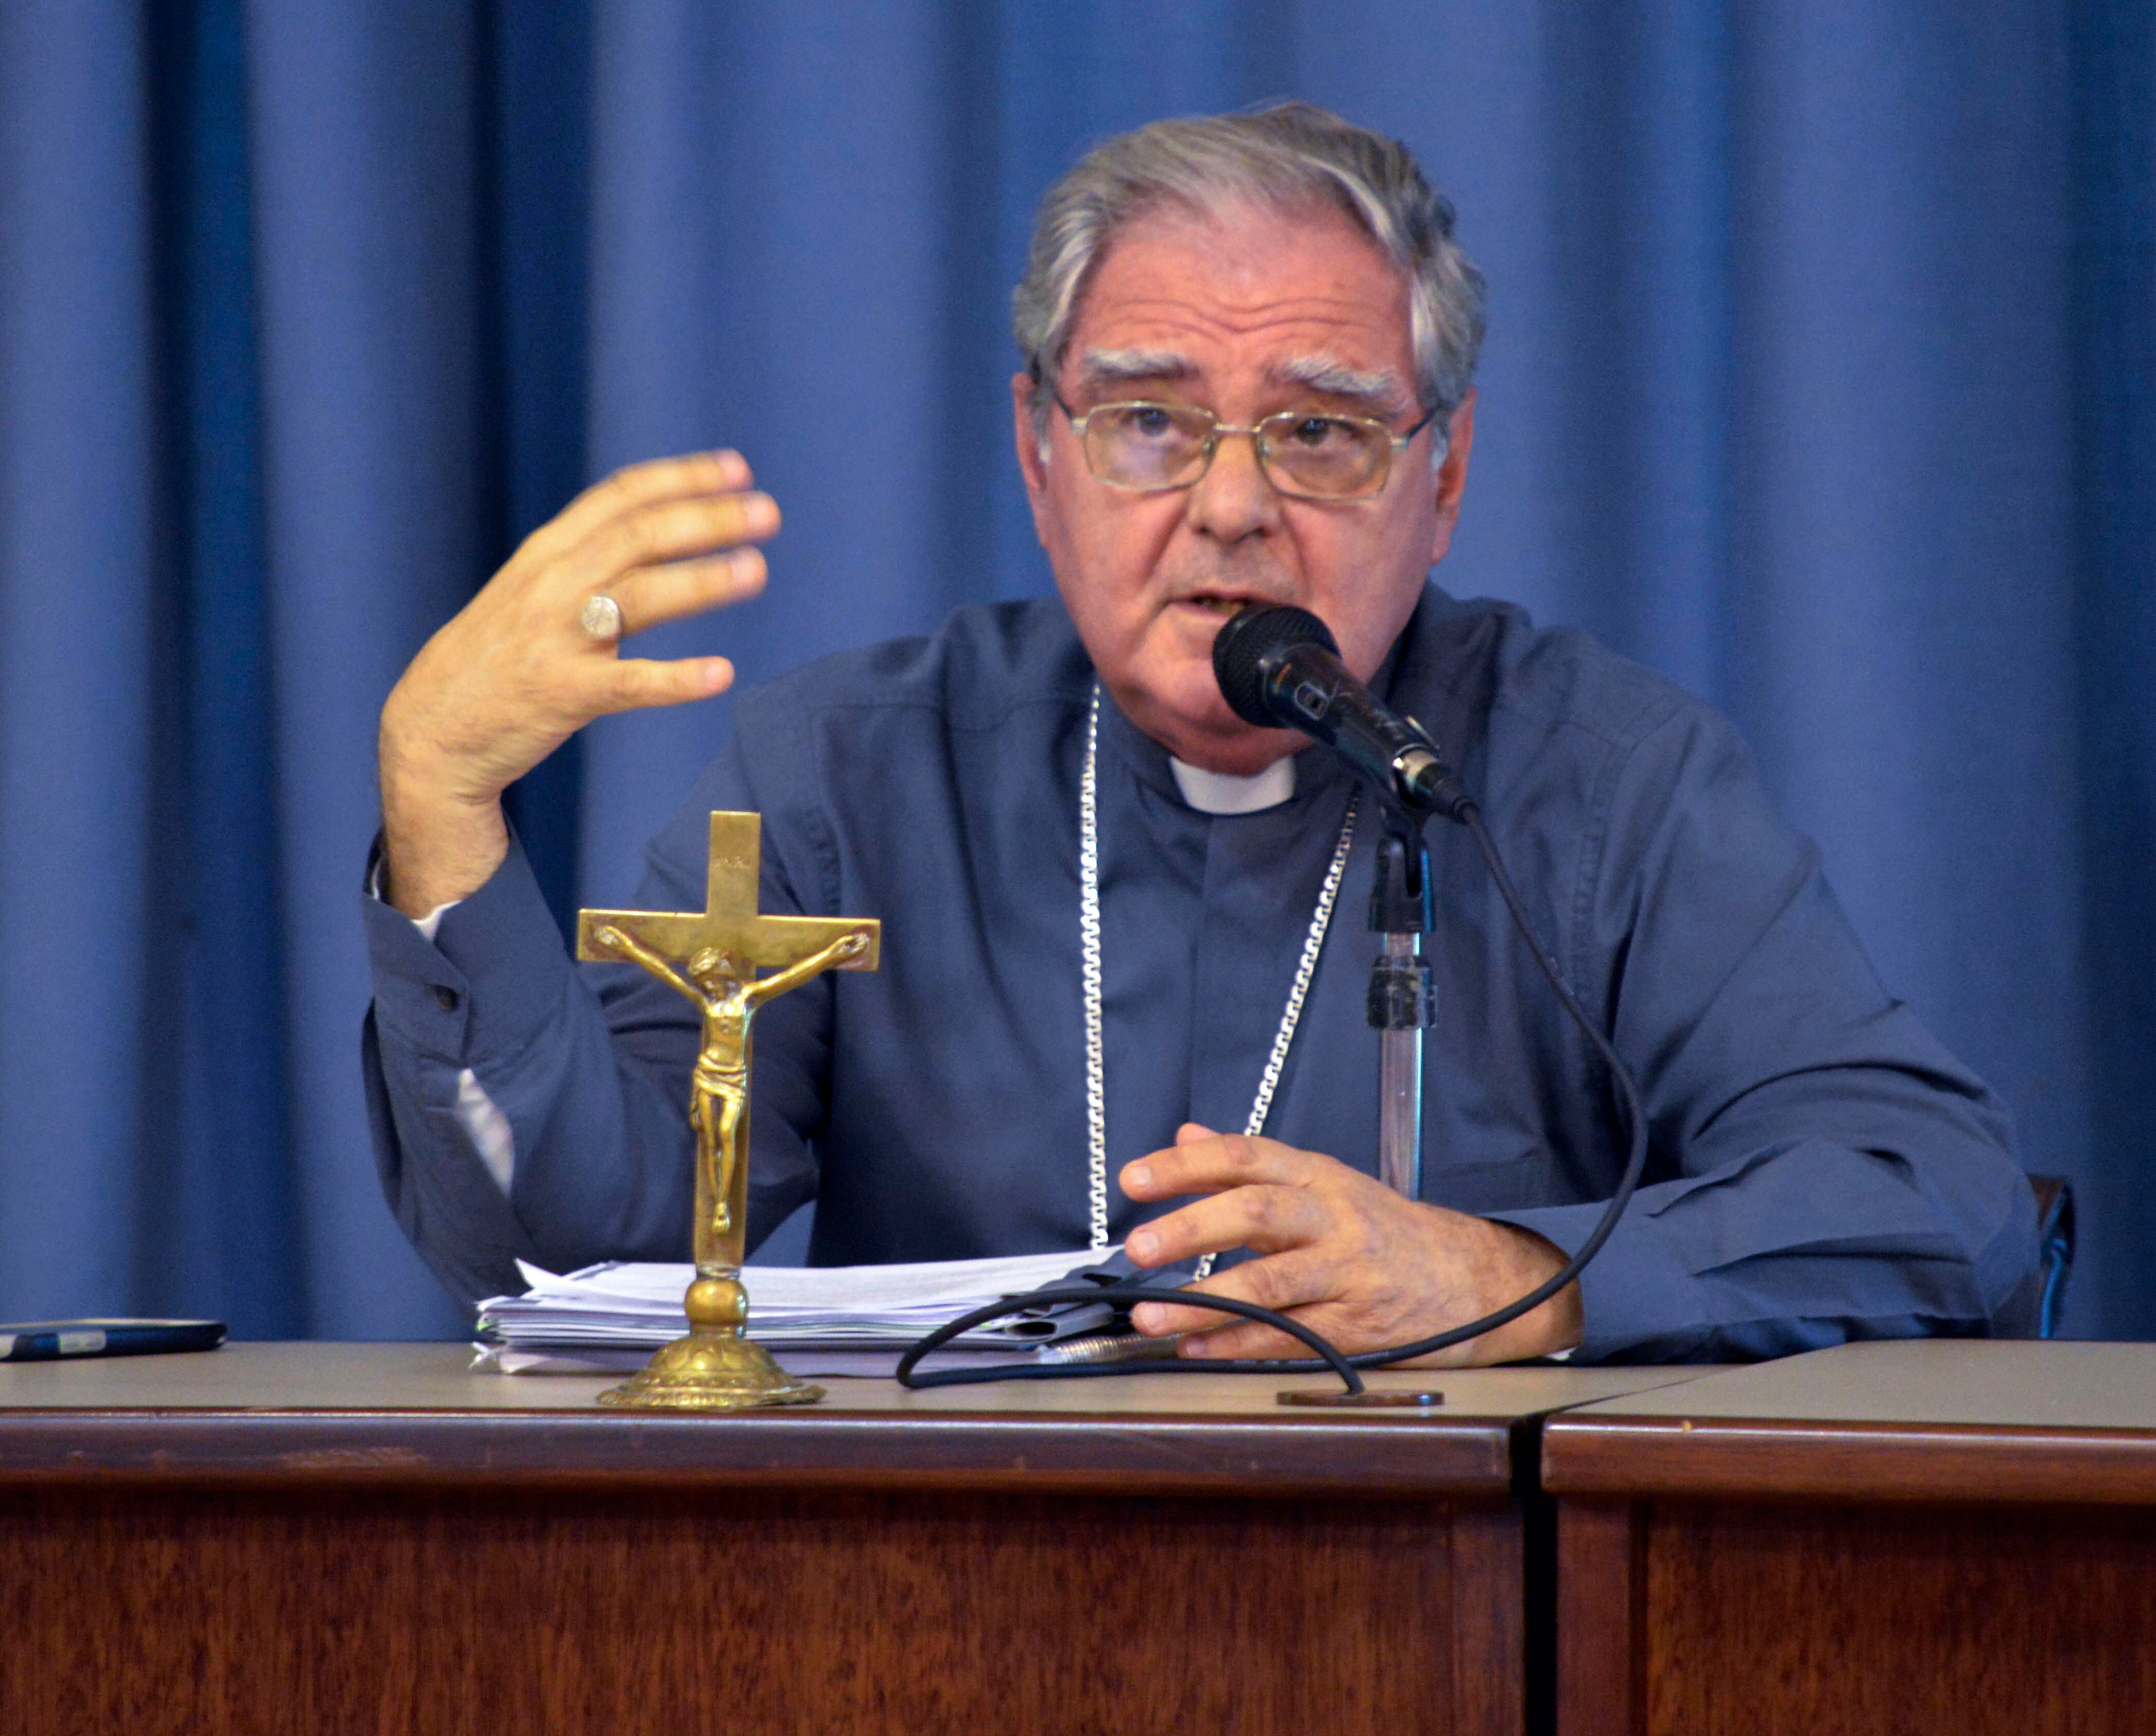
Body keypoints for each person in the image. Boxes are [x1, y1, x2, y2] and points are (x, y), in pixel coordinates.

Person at [361, 104, 2040, 1365]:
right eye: (1150, 421)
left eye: (1319, 430)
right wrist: (444, 805)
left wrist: (1513, 1280)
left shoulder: (1602, 779)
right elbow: (572, 1264)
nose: (1231, 505)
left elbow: (1940, 1202)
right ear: (1042, 458)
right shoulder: (851, 772)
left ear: (1440, 478)